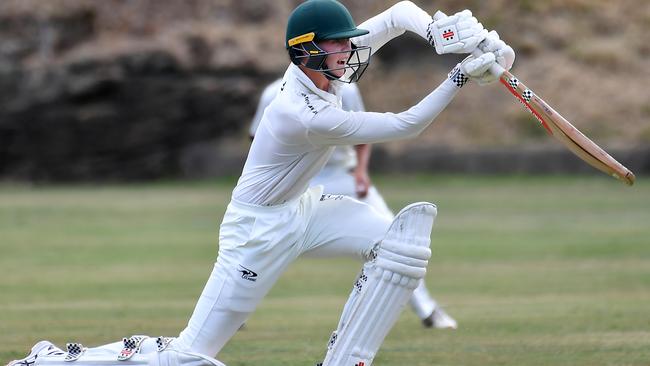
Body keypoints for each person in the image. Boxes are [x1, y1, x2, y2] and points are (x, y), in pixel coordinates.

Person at [9, 1, 514, 366]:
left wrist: (442, 35)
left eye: (345, 40)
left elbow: (401, 10)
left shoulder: (327, 73)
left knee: (399, 245)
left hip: (306, 208)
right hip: (257, 229)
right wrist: (459, 78)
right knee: (189, 358)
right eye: (337, 43)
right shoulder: (302, 112)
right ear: (307, 53)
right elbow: (405, 126)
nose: (348, 49)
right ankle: (54, 361)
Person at [249, 78, 457, 329]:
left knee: (399, 241)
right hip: (298, 179)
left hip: (342, 175)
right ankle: (236, 310)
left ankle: (427, 311)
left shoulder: (345, 88)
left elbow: (363, 132)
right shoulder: (273, 93)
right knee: (259, 243)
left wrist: (361, 172)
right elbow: (258, 140)